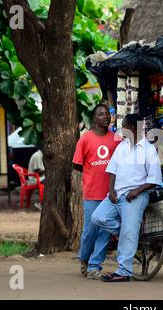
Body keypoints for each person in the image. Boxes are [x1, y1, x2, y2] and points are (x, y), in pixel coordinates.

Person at [91, 113, 162, 282]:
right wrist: (111, 190)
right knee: (98, 218)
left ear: (132, 128)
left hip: (135, 197)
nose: (122, 129)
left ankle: (124, 271)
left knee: (129, 232)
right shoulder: (122, 147)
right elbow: (112, 171)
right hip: (117, 195)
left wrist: (137, 191)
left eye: (124, 126)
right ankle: (127, 234)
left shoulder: (149, 150)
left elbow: (154, 179)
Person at [72, 104, 121, 280]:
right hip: (92, 193)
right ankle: (84, 259)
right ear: (95, 118)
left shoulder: (117, 139)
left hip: (110, 195)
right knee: (90, 231)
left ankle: (94, 266)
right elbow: (77, 164)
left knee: (104, 232)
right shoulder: (85, 139)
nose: (105, 117)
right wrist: (92, 172)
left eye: (107, 114)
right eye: (101, 114)